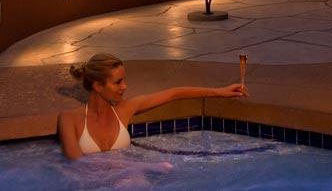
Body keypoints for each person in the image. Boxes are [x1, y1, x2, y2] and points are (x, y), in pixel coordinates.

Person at [58, 53, 247, 159]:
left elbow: (175, 93)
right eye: (118, 82)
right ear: (98, 86)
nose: (125, 87)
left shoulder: (124, 109)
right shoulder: (70, 120)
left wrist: (220, 92)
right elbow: (78, 171)